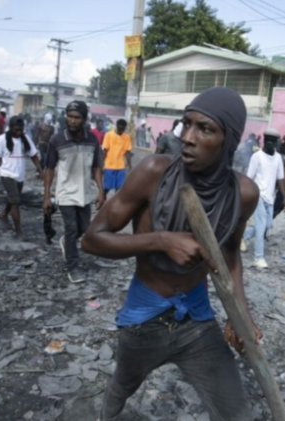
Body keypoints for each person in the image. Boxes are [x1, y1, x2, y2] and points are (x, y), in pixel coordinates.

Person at [81, 87, 260, 421]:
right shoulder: (153, 172)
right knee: (121, 386)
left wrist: (241, 317)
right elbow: (91, 240)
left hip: (196, 318)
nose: (188, 138)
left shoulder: (244, 193)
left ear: (230, 140)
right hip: (143, 319)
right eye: (186, 124)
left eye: (205, 129)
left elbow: (231, 254)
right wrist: (160, 240)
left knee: (236, 413)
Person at [43, 101, 104, 283]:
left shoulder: (92, 140)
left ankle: (66, 243)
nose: (72, 120)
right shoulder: (57, 140)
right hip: (65, 193)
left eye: (77, 117)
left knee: (84, 229)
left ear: (84, 119)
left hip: (85, 193)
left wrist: (101, 192)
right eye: (70, 116)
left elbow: (96, 167)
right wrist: (46, 196)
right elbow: (49, 169)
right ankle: (73, 267)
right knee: (71, 228)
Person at [0, 116, 42, 238]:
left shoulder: (25, 139)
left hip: (19, 175)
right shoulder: (1, 139)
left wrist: (40, 170)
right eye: (16, 129)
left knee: (14, 198)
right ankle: (18, 231)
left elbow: (34, 155)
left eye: (21, 129)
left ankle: (4, 214)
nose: (18, 131)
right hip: (6, 174)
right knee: (16, 202)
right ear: (10, 128)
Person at [241, 128, 285, 269]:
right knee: (261, 228)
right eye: (269, 140)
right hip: (258, 196)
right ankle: (258, 258)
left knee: (267, 226)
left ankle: (243, 236)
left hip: (270, 197)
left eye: (274, 141)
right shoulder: (257, 157)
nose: (272, 143)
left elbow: (281, 179)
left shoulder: (278, 158)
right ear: (265, 141)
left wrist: (284, 198)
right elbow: (249, 178)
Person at [102, 119, 132, 196]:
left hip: (120, 166)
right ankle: (101, 200)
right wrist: (101, 163)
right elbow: (105, 150)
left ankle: (115, 205)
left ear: (125, 128)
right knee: (107, 187)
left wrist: (130, 165)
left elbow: (127, 152)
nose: (121, 131)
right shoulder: (108, 135)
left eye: (123, 129)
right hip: (109, 165)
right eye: (119, 129)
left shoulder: (127, 137)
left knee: (119, 188)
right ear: (116, 126)